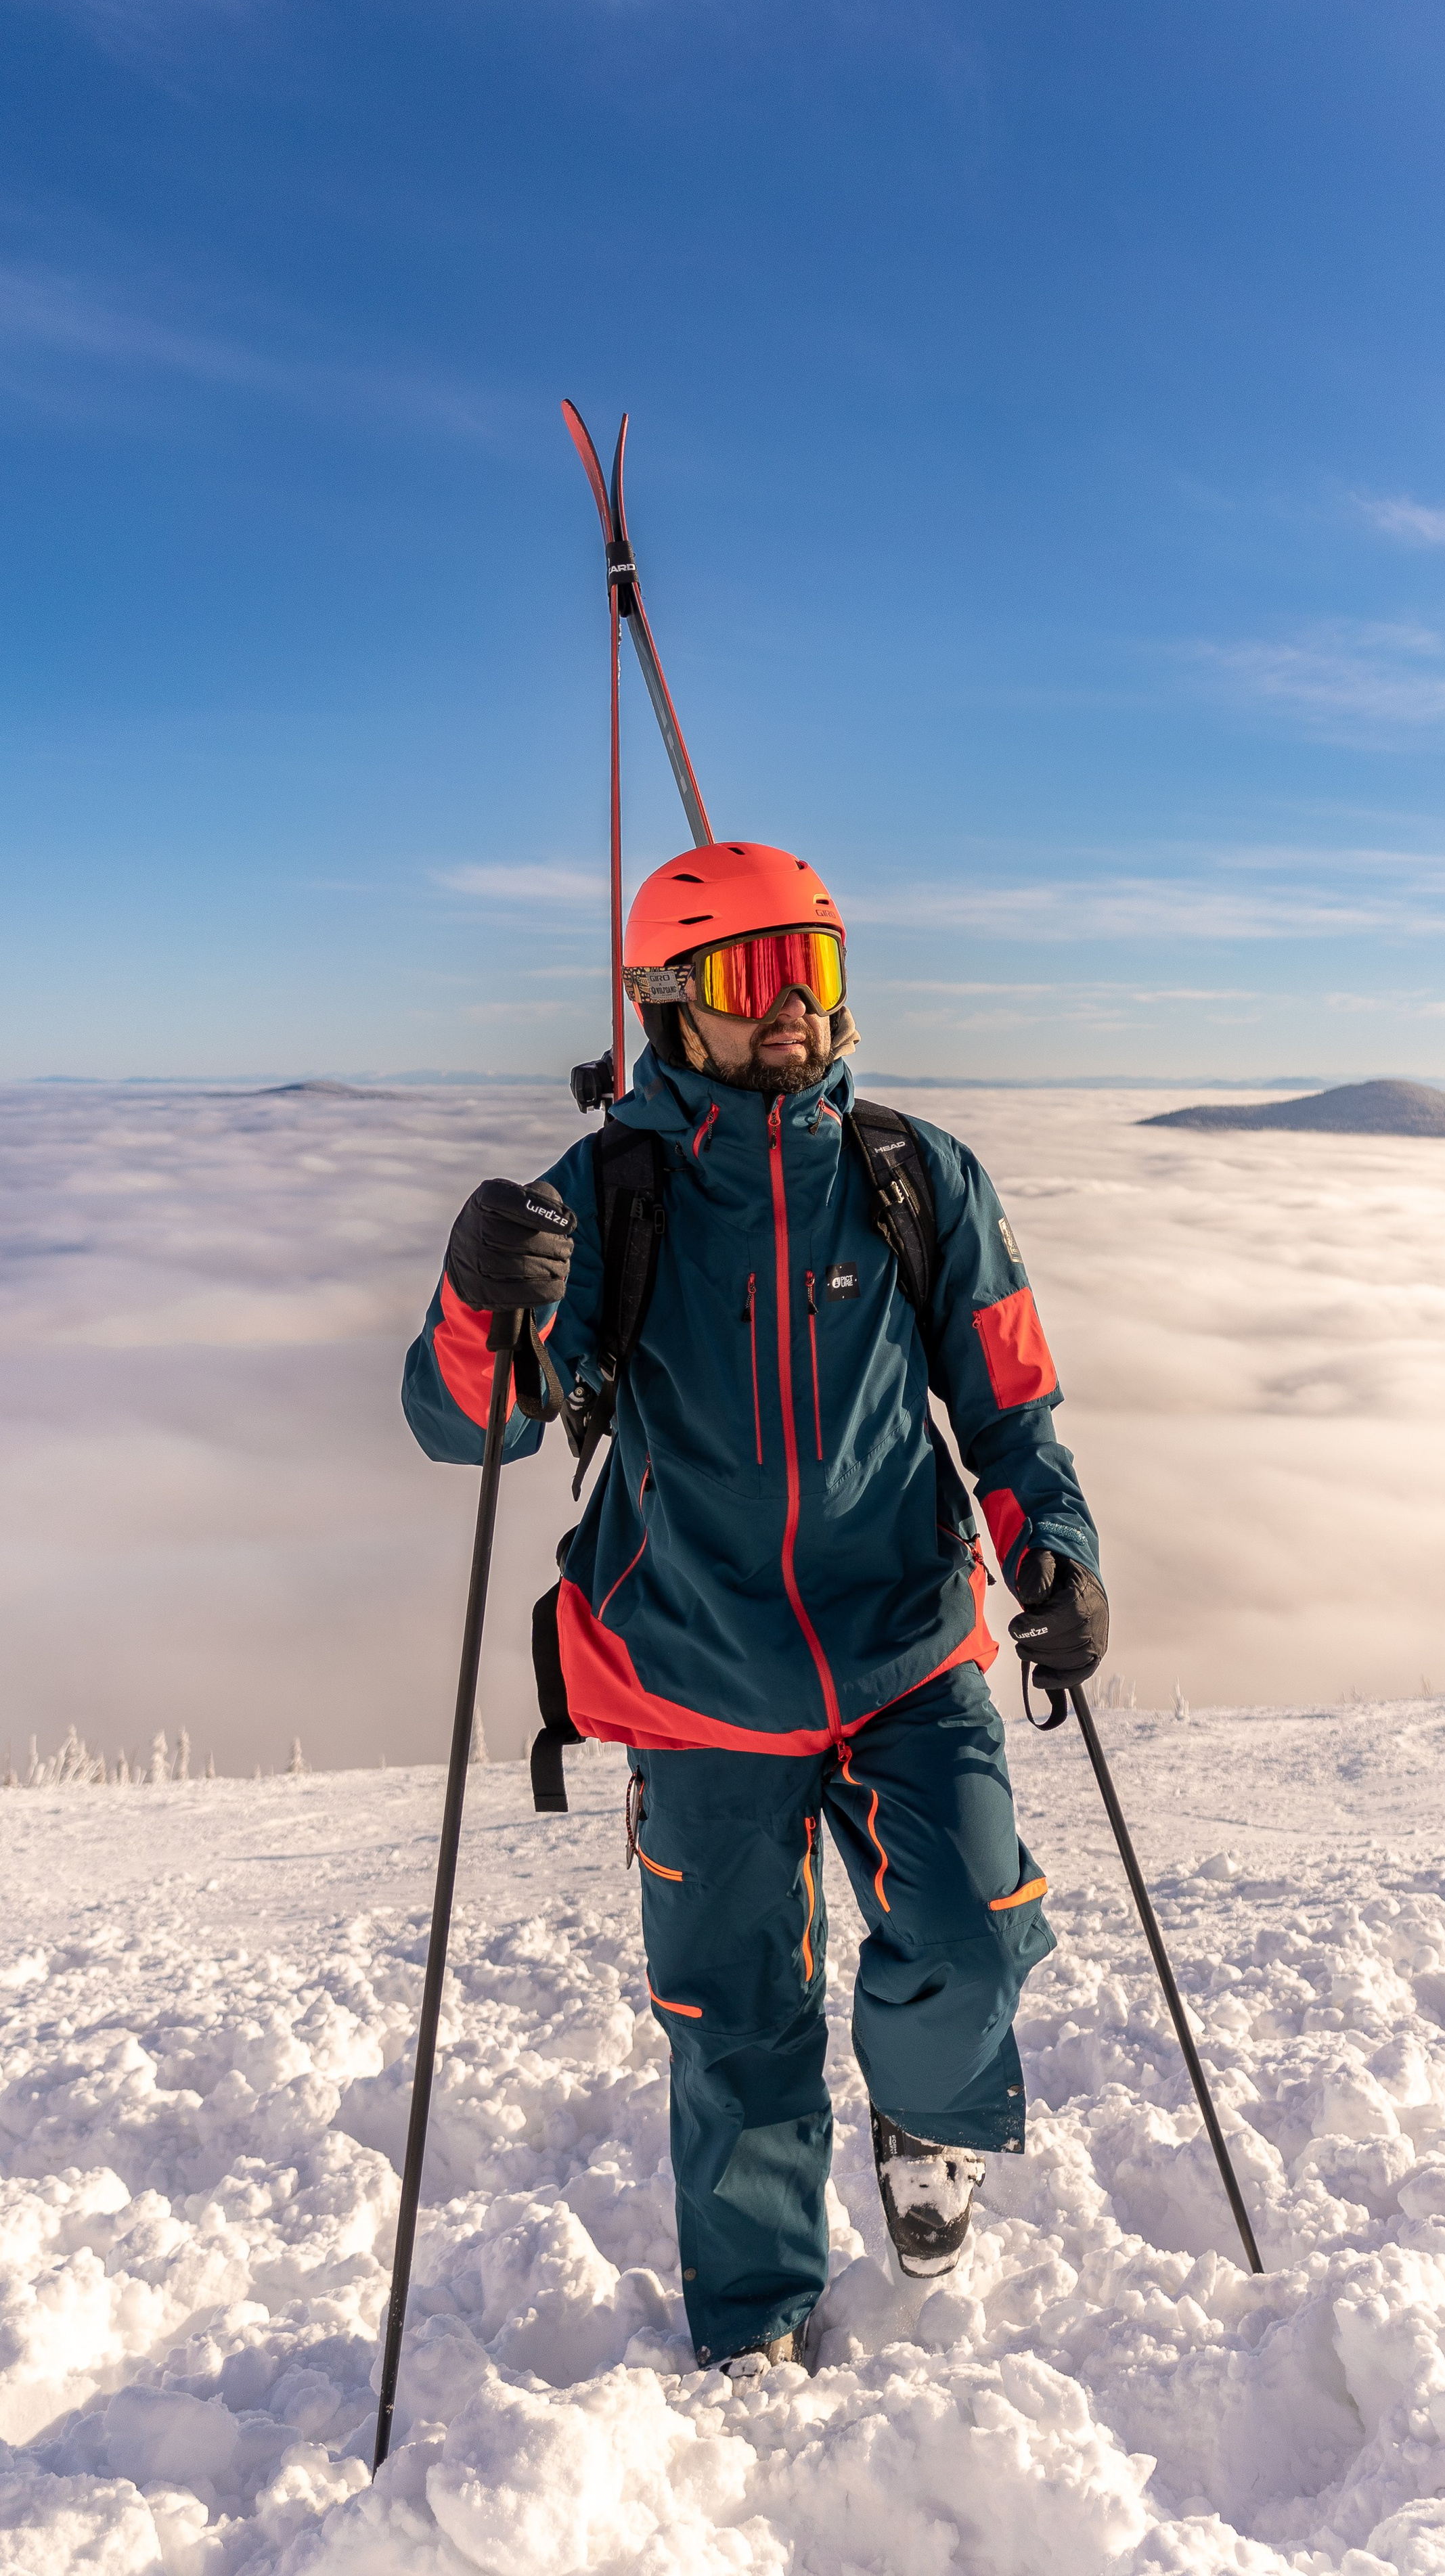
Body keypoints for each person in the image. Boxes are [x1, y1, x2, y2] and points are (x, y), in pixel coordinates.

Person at [402, 840, 1109, 2377]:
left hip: (904, 1648)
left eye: (816, 968)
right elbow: (485, 1422)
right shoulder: (610, 1195)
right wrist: (479, 1303)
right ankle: (753, 2324)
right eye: (749, 974)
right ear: (670, 1003)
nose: (793, 1007)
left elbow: (1006, 1399)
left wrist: (1050, 1546)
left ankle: (928, 2125)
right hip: (695, 1673)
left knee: (977, 1938)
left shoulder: (911, 1175)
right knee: (734, 2027)